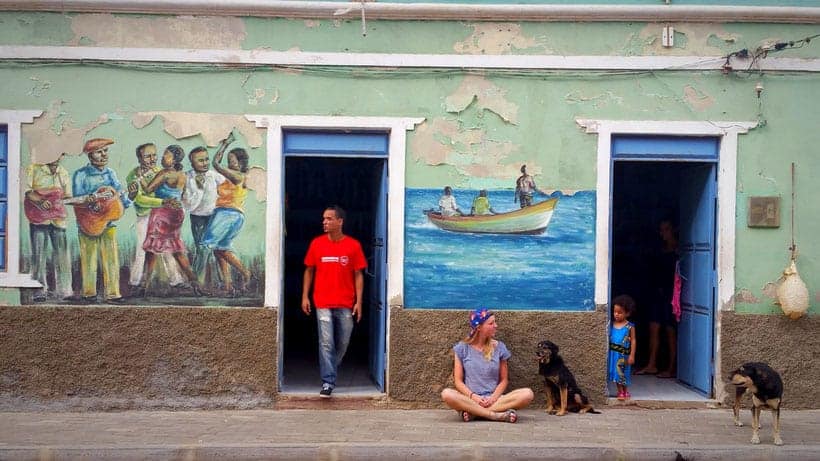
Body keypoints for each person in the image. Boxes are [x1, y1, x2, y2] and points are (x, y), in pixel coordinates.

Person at [301, 205, 367, 398]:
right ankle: (328, 381)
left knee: (344, 342)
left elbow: (358, 275)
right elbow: (309, 270)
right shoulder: (317, 244)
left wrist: (359, 302)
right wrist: (305, 296)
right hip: (322, 301)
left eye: (329, 218)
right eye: (324, 218)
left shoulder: (353, 246)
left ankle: (331, 368)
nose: (325, 222)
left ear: (340, 221)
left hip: (346, 302)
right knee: (326, 343)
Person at [441, 308, 534, 422]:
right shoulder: (462, 348)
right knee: (447, 394)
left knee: (527, 394)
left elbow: (504, 380)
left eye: (495, 322)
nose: (496, 325)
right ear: (479, 327)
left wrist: (493, 398)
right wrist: (474, 397)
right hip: (470, 399)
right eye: (491, 323)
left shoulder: (499, 347)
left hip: (495, 399)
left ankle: (474, 413)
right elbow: (458, 382)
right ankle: (494, 415)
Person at [138, 145, 203, 297]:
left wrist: (140, 177)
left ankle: (144, 285)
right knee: (176, 249)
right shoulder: (183, 175)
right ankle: (195, 283)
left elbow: (148, 190)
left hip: (162, 213)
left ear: (174, 160)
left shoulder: (165, 173)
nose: (162, 158)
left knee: (152, 249)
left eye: (166, 155)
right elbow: (183, 195)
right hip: (177, 213)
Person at [72, 138, 131, 303]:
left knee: (111, 259)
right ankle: (89, 293)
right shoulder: (81, 175)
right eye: (99, 151)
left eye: (106, 151)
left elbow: (120, 197)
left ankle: (113, 294)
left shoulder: (111, 173)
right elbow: (77, 198)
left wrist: (129, 197)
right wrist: (92, 203)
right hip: (88, 223)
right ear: (90, 155)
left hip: (108, 222)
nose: (104, 154)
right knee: (89, 258)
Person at [126, 143, 186, 295]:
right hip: (145, 215)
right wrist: (162, 202)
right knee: (142, 248)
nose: (152, 159)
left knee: (166, 247)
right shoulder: (133, 175)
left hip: (163, 215)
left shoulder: (162, 171)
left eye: (154, 155)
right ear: (140, 158)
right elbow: (140, 199)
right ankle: (136, 281)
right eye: (147, 156)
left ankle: (176, 280)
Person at [200, 138, 253, 296]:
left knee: (207, 246)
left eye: (233, 160)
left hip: (228, 214)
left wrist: (225, 144)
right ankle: (228, 285)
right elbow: (217, 164)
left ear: (241, 162)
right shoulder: (232, 176)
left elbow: (216, 164)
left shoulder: (238, 176)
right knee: (220, 250)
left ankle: (245, 273)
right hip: (227, 214)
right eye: (229, 160)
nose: (230, 163)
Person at [24, 155, 73, 302]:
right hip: (38, 219)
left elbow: (68, 197)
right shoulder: (33, 169)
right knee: (39, 255)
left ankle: (65, 290)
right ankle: (39, 289)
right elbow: (27, 191)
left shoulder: (63, 172)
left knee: (63, 255)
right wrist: (40, 201)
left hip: (58, 219)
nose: (56, 157)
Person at [636, 219, 679, 379]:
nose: (663, 234)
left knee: (670, 331)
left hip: (671, 295)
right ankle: (652, 364)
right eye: (661, 230)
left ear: (673, 230)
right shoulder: (660, 250)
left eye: (666, 229)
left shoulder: (679, 251)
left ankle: (671, 368)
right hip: (657, 294)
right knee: (653, 328)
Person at [181, 145, 226, 289]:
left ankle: (218, 281)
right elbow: (188, 205)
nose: (205, 163)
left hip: (214, 216)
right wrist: (199, 188)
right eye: (200, 161)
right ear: (192, 163)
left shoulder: (213, 175)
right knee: (202, 249)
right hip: (198, 217)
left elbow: (227, 185)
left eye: (206, 159)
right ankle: (197, 282)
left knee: (215, 249)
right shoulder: (188, 177)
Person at [608, 294, 636, 401]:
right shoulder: (611, 324)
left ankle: (625, 390)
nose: (616, 314)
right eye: (615, 312)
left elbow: (633, 340)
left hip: (624, 355)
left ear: (627, 313)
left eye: (620, 312)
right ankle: (620, 391)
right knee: (616, 373)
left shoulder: (630, 326)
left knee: (624, 373)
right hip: (614, 354)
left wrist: (632, 355)